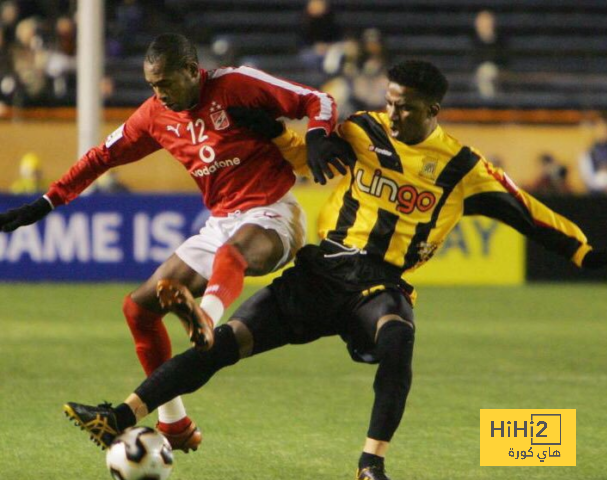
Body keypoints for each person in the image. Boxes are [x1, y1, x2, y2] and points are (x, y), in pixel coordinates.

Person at [62, 61, 607, 480]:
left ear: (434, 109)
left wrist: (583, 252)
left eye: (406, 106)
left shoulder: (464, 167)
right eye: (390, 102)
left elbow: (527, 209)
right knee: (222, 345)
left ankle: (371, 464)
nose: (393, 113)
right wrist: (279, 132)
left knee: (398, 336)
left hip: (378, 282)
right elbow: (309, 154)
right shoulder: (363, 131)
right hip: (322, 268)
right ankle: (121, 415)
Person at [0, 33, 354, 453]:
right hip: (221, 222)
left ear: (192, 70)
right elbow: (101, 157)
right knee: (138, 308)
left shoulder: (237, 84)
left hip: (274, 212)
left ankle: (204, 318)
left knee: (231, 254)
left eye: (166, 83)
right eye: (152, 85)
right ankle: (174, 423)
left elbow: (319, 101)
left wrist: (316, 135)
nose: (160, 93)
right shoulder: (154, 115)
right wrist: (46, 202)